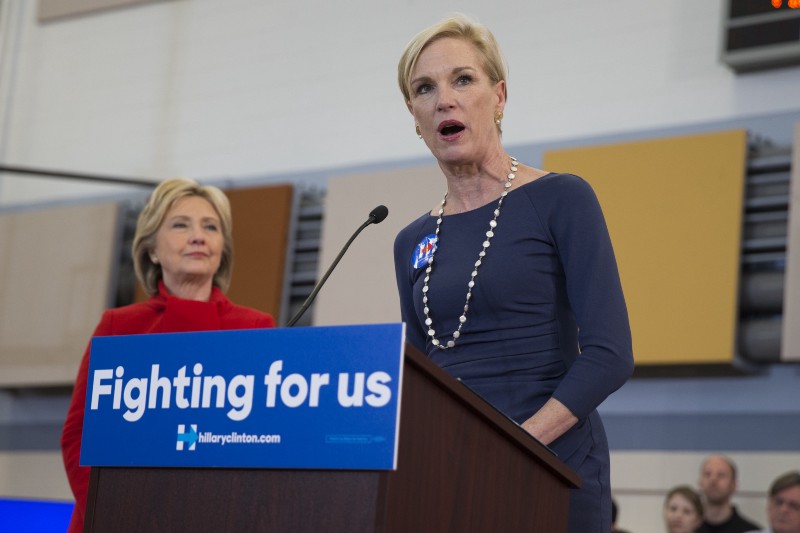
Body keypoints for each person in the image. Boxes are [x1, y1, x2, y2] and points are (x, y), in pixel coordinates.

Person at [392, 14, 634, 533]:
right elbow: (418, 377)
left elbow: (610, 355)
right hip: (450, 477)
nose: (444, 100)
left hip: (551, 465)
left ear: (499, 96)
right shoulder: (410, 240)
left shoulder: (562, 198)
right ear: (414, 116)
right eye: (424, 88)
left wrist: (515, 445)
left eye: (463, 79)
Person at [60, 178, 276, 532]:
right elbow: (78, 436)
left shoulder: (254, 327)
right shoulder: (118, 327)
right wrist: (118, 513)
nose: (198, 236)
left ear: (222, 248)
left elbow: (264, 443)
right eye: (181, 225)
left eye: (211, 226)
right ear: (152, 249)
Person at [697, 454, 761, 533]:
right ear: (700, 483)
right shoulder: (688, 530)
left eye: (721, 475)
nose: (713, 480)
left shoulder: (751, 531)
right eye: (707, 474)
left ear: (734, 485)